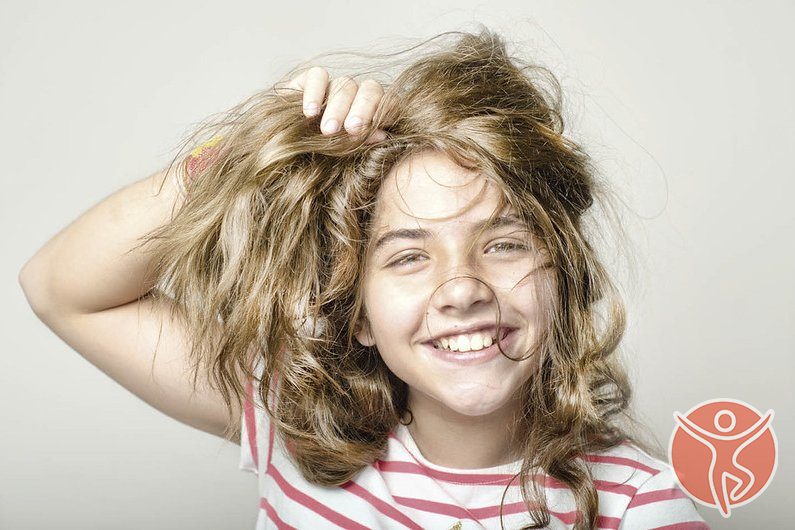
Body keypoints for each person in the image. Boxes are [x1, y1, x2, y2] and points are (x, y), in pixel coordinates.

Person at [19, 28, 710, 529]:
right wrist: (254, 143)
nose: (462, 288)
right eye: (408, 255)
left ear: (561, 274)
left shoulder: (639, 504)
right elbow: (60, 288)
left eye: (502, 244)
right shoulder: (292, 423)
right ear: (356, 313)